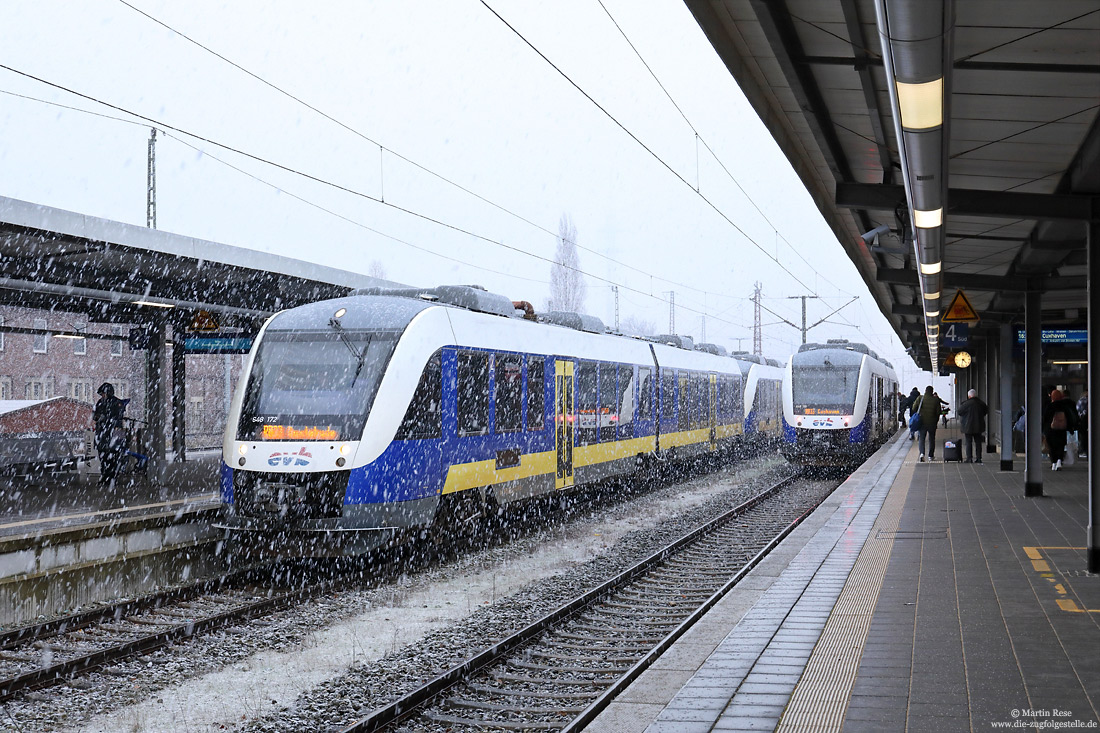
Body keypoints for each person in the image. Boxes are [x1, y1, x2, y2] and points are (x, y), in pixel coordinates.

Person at [93, 382, 126, 485]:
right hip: (103, 432)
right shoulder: (100, 402)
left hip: (113, 431)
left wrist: (108, 419)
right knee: (103, 457)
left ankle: (112, 477)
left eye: (104, 393)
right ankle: (105, 476)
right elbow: (95, 416)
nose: (102, 396)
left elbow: (119, 417)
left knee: (114, 457)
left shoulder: (117, 403)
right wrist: (99, 417)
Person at [1043, 388, 1078, 471]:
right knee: (1060, 445)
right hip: (1062, 429)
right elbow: (1069, 417)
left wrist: (1044, 429)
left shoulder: (1050, 406)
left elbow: (1045, 418)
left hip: (1051, 429)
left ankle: (1053, 463)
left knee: (1052, 446)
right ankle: (1059, 461)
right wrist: (1070, 428)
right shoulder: (1064, 406)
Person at [914, 385, 948, 462]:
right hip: (932, 423)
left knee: (922, 438)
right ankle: (930, 456)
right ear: (932, 392)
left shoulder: (920, 398)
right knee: (932, 439)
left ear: (925, 391)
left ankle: (922, 453)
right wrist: (935, 420)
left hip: (922, 422)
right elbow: (938, 412)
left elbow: (914, 407)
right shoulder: (935, 400)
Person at [957, 388, 988, 464]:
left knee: (968, 442)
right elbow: (986, 411)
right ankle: (978, 458)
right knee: (978, 442)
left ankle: (969, 458)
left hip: (968, 426)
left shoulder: (965, 404)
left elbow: (959, 412)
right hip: (979, 425)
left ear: (969, 396)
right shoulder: (981, 403)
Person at [1077, 391, 1088, 459]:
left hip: (1083, 422)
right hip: (1090, 421)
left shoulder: (1081, 401)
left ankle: (1084, 450)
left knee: (1084, 437)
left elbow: (1078, 411)